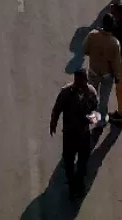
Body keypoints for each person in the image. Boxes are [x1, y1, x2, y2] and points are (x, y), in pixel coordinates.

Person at [49, 70, 99, 201]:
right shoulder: (66, 92)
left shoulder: (91, 92)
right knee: (68, 161)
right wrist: (53, 123)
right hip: (69, 134)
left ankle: (79, 184)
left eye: (82, 81)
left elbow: (95, 110)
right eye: (77, 81)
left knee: (83, 162)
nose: (79, 83)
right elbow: (57, 108)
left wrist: (92, 118)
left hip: (83, 134)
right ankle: (72, 185)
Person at [83, 13, 122, 128]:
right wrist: (117, 77)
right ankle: (100, 121)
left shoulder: (92, 36)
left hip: (93, 71)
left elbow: (85, 50)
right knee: (104, 99)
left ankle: (91, 116)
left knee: (91, 95)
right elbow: (116, 63)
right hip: (107, 75)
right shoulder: (114, 43)